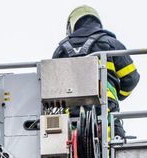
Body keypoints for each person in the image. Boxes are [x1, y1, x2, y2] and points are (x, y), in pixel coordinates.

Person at [53, 5, 140, 134]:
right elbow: (132, 78)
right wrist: (118, 96)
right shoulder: (111, 43)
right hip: (106, 114)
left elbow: (52, 88)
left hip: (71, 123)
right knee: (113, 148)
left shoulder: (61, 51)